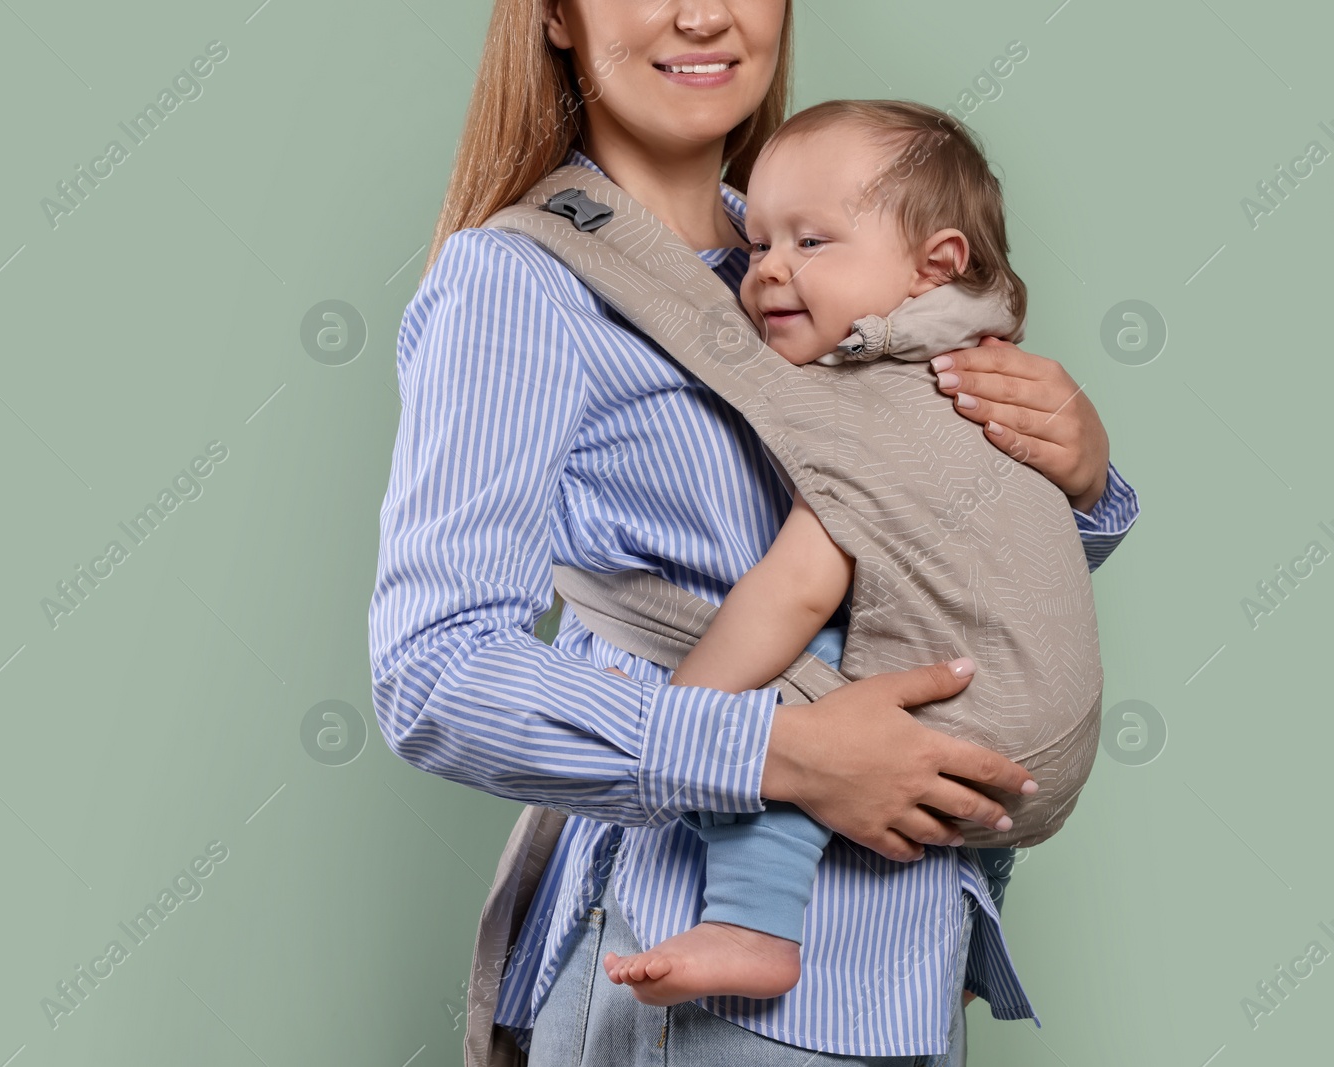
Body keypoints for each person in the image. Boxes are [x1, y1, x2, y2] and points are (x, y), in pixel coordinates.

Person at [367, 1, 1140, 1062]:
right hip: (700, 980)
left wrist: (1079, 475)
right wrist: (779, 753)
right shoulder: (521, 283)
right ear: (553, 14)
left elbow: (925, 574)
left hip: (909, 961)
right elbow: (432, 675)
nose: (703, 14)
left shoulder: (847, 235)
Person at [596, 97, 1103, 1009]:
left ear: (933, 266)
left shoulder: (864, 401)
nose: (767, 273)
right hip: (1042, 745)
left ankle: (751, 926)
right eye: (755, 248)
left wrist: (691, 720)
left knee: (795, 682)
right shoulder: (977, 360)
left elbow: (794, 586)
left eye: (810, 244)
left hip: (969, 730)